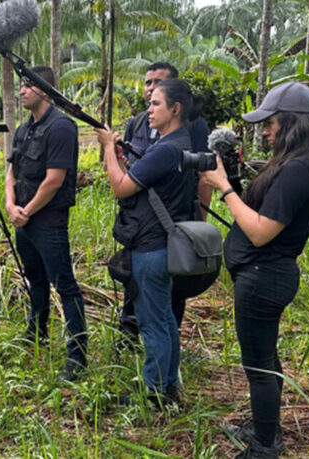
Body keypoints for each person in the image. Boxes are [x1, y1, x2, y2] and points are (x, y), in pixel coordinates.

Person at [200, 81, 309, 458]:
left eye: (270, 123)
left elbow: (259, 232)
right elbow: (259, 209)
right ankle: (264, 429)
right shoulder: (295, 161)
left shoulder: (299, 169)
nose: (265, 131)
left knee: (258, 367)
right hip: (264, 275)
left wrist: (223, 187)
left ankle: (264, 447)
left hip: (264, 276)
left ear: (291, 122)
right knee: (266, 361)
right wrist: (235, 179)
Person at [96, 79, 203, 406]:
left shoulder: (166, 150)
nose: (149, 109)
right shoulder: (180, 145)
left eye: (156, 103)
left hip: (151, 247)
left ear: (175, 108)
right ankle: (168, 387)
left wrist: (105, 147)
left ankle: (154, 395)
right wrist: (114, 153)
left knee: (153, 324)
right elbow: (132, 176)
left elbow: (120, 188)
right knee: (165, 319)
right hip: (164, 245)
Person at [117, 62, 215, 347]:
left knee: (169, 296)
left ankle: (159, 372)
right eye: (147, 83)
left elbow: (203, 176)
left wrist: (200, 220)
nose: (149, 91)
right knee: (136, 285)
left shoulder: (191, 129)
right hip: (138, 223)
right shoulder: (137, 122)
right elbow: (131, 173)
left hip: (172, 223)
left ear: (176, 105)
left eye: (157, 85)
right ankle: (131, 338)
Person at [5, 66, 87, 382]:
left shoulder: (61, 127)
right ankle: (35, 333)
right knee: (34, 280)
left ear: (44, 89)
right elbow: (12, 171)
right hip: (23, 220)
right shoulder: (24, 129)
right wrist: (12, 206)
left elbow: (55, 180)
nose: (22, 91)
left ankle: (77, 355)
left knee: (64, 285)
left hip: (48, 221)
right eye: (21, 86)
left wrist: (26, 210)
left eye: (28, 86)